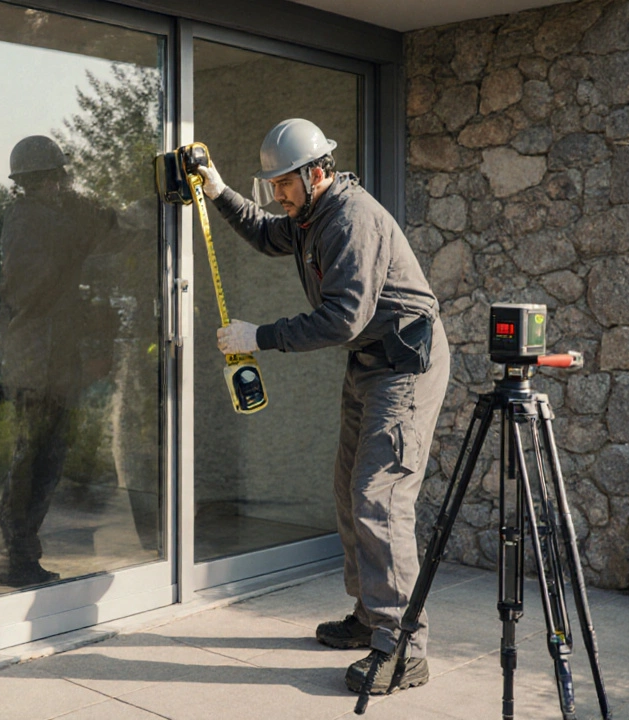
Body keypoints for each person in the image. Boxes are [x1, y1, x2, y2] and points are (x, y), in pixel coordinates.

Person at [196, 118, 451, 696]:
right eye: (273, 185)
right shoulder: (309, 215)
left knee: (378, 498)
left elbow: (343, 317)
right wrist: (217, 191)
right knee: (347, 489)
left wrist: (257, 336)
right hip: (370, 364)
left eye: (284, 183)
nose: (278, 194)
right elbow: (266, 233)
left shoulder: (351, 219)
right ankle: (370, 617)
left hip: (405, 366)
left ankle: (402, 645)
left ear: (316, 173)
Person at [0, 135, 120, 587]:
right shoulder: (36, 222)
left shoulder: (27, 219)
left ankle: (12, 555)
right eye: (55, 179)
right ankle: (13, 559)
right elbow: (102, 229)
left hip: (43, 361)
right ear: (42, 182)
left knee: (38, 460)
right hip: (38, 365)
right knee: (34, 462)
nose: (60, 186)